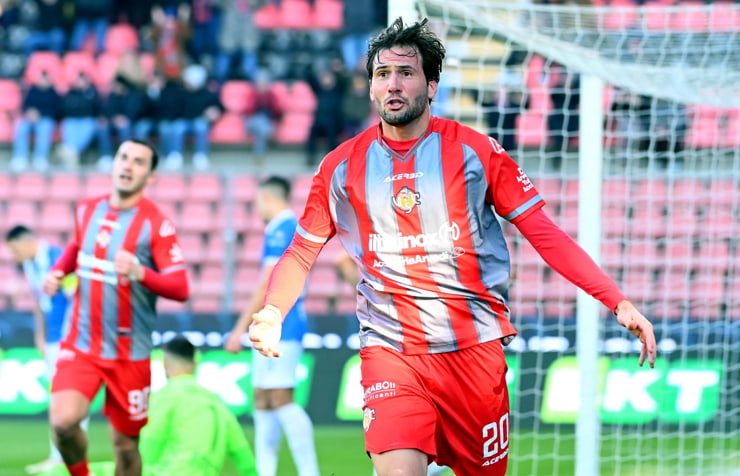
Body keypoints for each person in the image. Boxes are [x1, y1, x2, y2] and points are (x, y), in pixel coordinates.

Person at [247, 18, 657, 476]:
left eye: (406, 72)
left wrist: (615, 300)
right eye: (382, 75)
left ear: (432, 85)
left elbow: (544, 233)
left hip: (474, 350)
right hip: (391, 348)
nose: (393, 84)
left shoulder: (476, 151)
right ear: (370, 89)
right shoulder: (340, 167)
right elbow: (302, 252)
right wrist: (273, 311)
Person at [42, 139, 190, 476]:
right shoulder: (86, 209)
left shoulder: (156, 224)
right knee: (63, 423)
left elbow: (181, 287)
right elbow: (78, 245)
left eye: (139, 162)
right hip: (82, 345)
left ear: (150, 177)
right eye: (124, 158)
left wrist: (142, 272)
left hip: (130, 354)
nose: (128, 166)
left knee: (125, 448)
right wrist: (57, 271)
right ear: (114, 163)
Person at [224, 176, 320, 476]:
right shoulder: (283, 228)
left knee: (280, 397)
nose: (256, 208)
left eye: (257, 201)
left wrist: (239, 328)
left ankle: (309, 472)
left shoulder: (283, 229)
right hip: (274, 323)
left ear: (267, 198)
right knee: (263, 399)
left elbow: (269, 281)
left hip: (283, 323)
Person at [4, 225, 82, 475]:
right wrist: (40, 335)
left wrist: (72, 338)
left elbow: (75, 296)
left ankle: (67, 456)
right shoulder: (30, 265)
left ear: (27, 243)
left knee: (69, 397)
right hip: (52, 338)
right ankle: (59, 455)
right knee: (58, 397)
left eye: (15, 250)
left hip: (68, 338)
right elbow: (40, 302)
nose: (14, 257)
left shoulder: (59, 258)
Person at [140, 335, 258, 476]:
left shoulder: (167, 395)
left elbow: (152, 440)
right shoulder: (215, 403)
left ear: (164, 363)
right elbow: (242, 453)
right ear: (195, 364)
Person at [11, 70, 60, 172]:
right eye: (41, 78)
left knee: (44, 128)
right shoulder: (32, 91)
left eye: (45, 79)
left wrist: (40, 114)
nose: (43, 81)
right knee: (21, 127)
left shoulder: (54, 93)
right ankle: (20, 158)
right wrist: (29, 113)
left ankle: (40, 159)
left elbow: (57, 110)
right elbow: (25, 106)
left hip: (45, 119)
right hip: (30, 119)